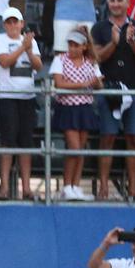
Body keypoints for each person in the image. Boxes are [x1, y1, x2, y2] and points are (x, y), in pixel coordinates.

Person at [91, 0, 135, 199]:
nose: (115, 3)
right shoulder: (99, 27)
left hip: (134, 88)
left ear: (128, 2)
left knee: (134, 138)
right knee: (107, 138)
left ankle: (132, 189)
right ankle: (104, 188)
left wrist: (131, 40)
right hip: (109, 89)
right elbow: (97, 57)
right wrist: (114, 43)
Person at [0, 7, 41, 199]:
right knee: (8, 142)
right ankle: (4, 187)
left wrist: (28, 50)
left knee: (26, 143)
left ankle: (26, 188)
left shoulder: (30, 41)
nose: (12, 25)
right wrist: (23, 47)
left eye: (15, 21)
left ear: (22, 24)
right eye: (9, 22)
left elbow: (38, 66)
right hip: (8, 97)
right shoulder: (0, 40)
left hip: (27, 97)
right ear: (5, 25)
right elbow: (4, 62)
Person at [49, 26, 100, 199]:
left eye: (76, 45)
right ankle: (66, 186)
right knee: (74, 149)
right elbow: (59, 84)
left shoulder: (91, 62)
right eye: (70, 44)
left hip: (84, 108)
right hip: (67, 108)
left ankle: (76, 186)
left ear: (84, 46)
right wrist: (84, 84)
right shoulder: (59, 60)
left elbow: (98, 84)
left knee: (81, 149)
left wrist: (96, 82)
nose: (72, 48)